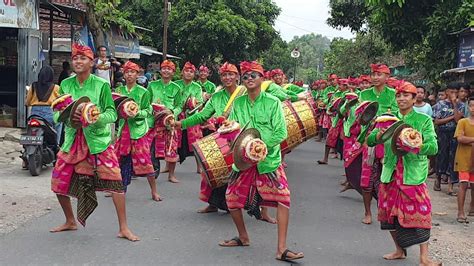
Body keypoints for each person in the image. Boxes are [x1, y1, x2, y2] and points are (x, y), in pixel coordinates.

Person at [50, 43, 138, 241]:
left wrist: (95, 117)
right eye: (75, 58)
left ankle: (124, 227)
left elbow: (112, 114)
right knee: (57, 181)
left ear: (92, 62)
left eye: (82, 58)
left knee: (115, 181)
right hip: (73, 140)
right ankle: (70, 220)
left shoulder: (102, 85)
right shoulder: (65, 84)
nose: (78, 61)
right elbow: (57, 114)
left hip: (98, 140)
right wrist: (67, 118)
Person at [218, 61, 304, 262]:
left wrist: (260, 146)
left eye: (253, 76)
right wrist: (232, 133)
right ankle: (243, 237)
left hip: (269, 160)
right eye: (245, 76)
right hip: (243, 160)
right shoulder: (238, 103)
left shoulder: (273, 102)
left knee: (283, 199)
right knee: (231, 199)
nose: (248, 79)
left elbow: (281, 132)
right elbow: (235, 127)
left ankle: (281, 248)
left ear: (262, 79)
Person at [368, 81, 439, 266]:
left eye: (406, 95)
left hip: (412, 174)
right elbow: (368, 140)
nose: (401, 99)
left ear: (415, 98)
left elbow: (433, 147)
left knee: (421, 212)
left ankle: (424, 257)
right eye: (398, 95)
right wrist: (378, 135)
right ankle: (399, 250)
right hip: (390, 172)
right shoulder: (388, 119)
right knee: (388, 213)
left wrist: (416, 145)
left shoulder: (423, 121)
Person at [354, 64, 398, 224]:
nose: (375, 77)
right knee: (367, 177)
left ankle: (386, 210)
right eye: (373, 74)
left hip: (389, 139)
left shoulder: (394, 94)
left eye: (379, 74)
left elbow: (396, 114)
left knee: (388, 174)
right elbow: (358, 115)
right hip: (369, 139)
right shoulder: (364, 93)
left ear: (387, 77)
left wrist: (380, 118)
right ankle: (367, 213)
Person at [115, 61, 161, 201]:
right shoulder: (119, 91)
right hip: (123, 130)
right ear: (124, 74)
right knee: (119, 160)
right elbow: (114, 109)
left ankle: (154, 191)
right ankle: (118, 189)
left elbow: (148, 111)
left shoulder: (143, 92)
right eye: (127, 72)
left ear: (137, 74)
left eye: (132, 72)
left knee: (145, 160)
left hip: (138, 130)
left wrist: (136, 113)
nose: (129, 75)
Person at [147, 60, 182, 183]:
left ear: (173, 72)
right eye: (164, 68)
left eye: (169, 69)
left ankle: (171, 175)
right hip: (154, 121)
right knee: (152, 148)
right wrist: (152, 110)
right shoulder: (152, 85)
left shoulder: (176, 88)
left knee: (171, 147)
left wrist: (171, 111)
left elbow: (179, 106)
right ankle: (153, 173)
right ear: (160, 70)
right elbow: (147, 102)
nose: (166, 71)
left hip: (169, 122)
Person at [432, 83, 464, 194]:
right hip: (442, 134)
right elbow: (437, 121)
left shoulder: (461, 105)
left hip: (455, 134)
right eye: (451, 92)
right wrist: (451, 117)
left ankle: (450, 186)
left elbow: (457, 120)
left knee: (453, 159)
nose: (453, 94)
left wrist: (455, 104)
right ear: (447, 92)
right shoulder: (440, 104)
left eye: (456, 92)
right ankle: (438, 180)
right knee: (441, 157)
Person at [175, 62, 204, 173]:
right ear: (182, 72)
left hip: (191, 117)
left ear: (194, 74)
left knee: (196, 142)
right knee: (173, 141)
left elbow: (200, 103)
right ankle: (169, 166)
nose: (188, 73)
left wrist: (192, 104)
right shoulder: (176, 85)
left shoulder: (197, 87)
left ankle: (199, 166)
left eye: (191, 71)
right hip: (177, 116)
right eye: (186, 71)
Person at [25, 65, 62, 144]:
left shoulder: (33, 86)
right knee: (59, 123)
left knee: (31, 128)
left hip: (35, 113)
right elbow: (60, 101)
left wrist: (29, 104)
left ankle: (28, 146)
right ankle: (57, 145)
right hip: (50, 113)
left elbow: (27, 102)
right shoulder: (56, 87)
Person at [454, 97, 474, 223]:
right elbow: (460, 139)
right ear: (468, 107)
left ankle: (472, 208)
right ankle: (460, 212)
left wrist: (469, 139)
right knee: (463, 185)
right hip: (463, 158)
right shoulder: (463, 122)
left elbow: (464, 138)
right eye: (472, 105)